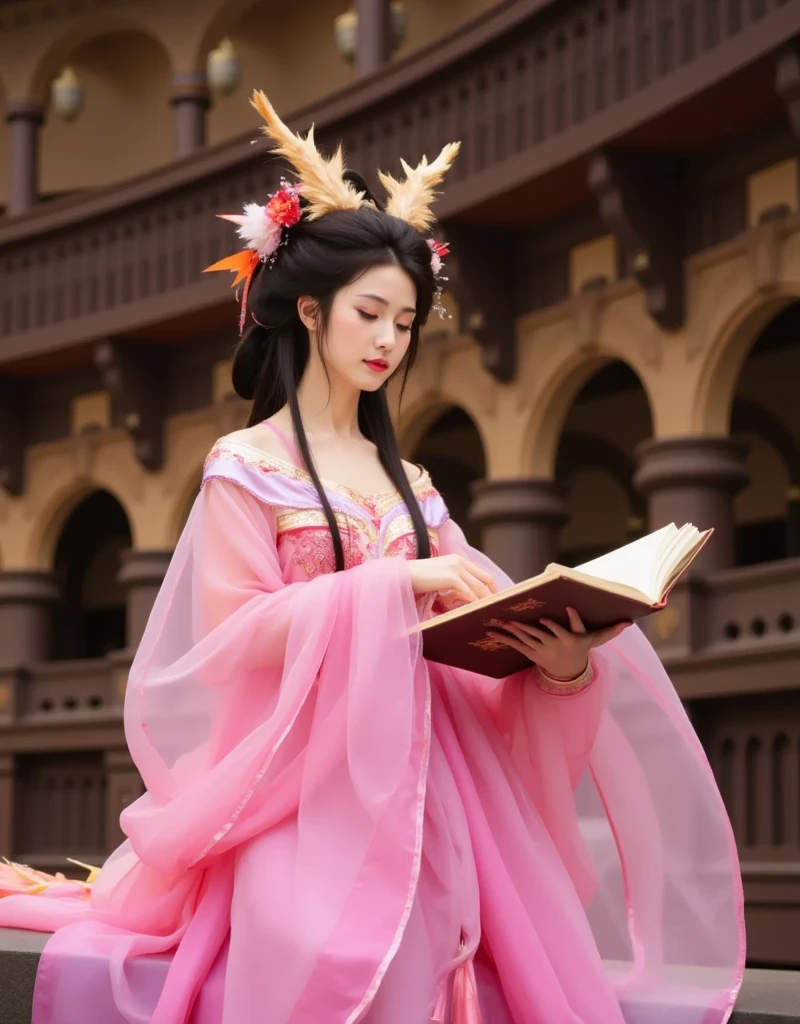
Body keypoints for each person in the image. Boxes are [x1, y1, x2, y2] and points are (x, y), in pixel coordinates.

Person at [0, 92, 744, 1024]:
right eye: (371, 314)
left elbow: (468, 632)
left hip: (442, 778)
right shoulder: (249, 467)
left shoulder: (415, 483)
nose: (391, 340)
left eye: (407, 321)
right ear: (309, 311)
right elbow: (231, 635)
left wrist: (556, 665)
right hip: (302, 784)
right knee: (338, 953)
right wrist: (398, 581)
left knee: (491, 960)